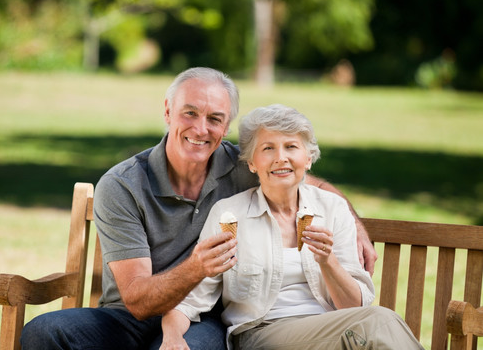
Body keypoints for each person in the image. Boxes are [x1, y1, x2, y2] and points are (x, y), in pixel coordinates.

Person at [21, 68, 377, 349]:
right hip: (126, 316)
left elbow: (295, 176)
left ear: (226, 126)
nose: (200, 129)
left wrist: (354, 223)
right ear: (167, 111)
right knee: (44, 332)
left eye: (215, 119)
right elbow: (138, 300)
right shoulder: (123, 185)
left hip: (200, 316)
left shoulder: (241, 166)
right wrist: (195, 267)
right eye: (189, 113)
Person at [160, 104, 423, 350]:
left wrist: (327, 260)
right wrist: (171, 337)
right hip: (261, 333)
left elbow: (353, 307)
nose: (281, 158)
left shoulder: (332, 209)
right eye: (268, 149)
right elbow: (192, 297)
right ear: (252, 163)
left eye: (291, 147)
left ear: (308, 159)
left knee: (374, 323)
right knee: (378, 322)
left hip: (335, 330)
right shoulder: (230, 215)